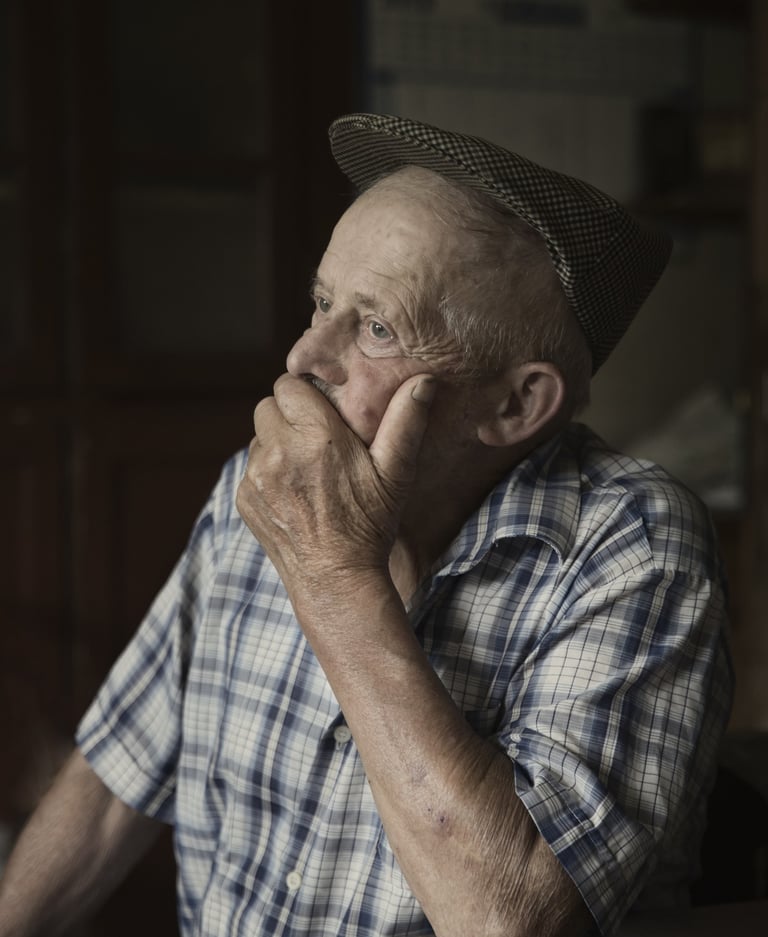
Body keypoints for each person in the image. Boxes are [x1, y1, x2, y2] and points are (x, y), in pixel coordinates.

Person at [0, 113, 732, 937]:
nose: (304, 357)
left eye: (378, 327)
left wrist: (336, 577)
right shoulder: (264, 486)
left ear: (516, 404)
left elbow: (509, 919)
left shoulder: (634, 543)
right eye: (322, 302)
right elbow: (113, 780)